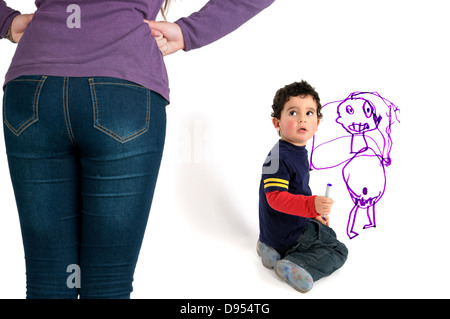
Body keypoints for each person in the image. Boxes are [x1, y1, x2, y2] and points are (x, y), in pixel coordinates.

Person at [0, 0, 275, 299]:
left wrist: (6, 21)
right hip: (122, 91)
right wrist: (189, 32)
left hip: (32, 93)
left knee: (49, 279)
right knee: (108, 282)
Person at [257, 81, 348, 293]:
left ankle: (269, 248)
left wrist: (312, 213)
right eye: (292, 112)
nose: (302, 118)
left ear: (317, 123)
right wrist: (311, 204)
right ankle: (297, 264)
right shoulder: (279, 157)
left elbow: (296, 193)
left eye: (309, 113)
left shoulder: (293, 151)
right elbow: (276, 198)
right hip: (290, 233)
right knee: (337, 248)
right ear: (276, 122)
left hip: (273, 231)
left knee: (323, 229)